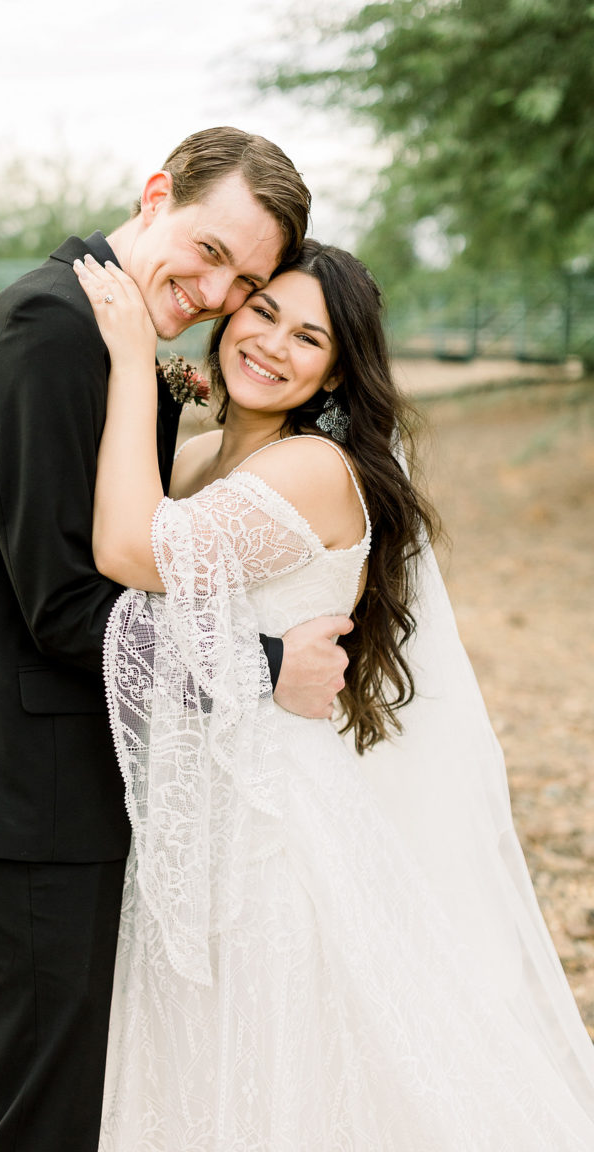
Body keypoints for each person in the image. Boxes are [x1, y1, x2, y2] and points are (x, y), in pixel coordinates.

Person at [0, 128, 355, 1152]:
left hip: (56, 801)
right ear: (155, 195)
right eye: (209, 250)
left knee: (72, 1110)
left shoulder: (107, 334)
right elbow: (63, 610)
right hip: (23, 809)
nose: (217, 291)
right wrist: (270, 668)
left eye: (247, 278)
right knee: (37, 1125)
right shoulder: (50, 335)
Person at [74, 240, 594, 1149]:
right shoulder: (196, 461)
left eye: (307, 338)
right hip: (196, 805)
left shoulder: (311, 471)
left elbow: (128, 553)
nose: (271, 343)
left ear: (334, 375)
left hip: (273, 825)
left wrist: (126, 360)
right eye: (263, 310)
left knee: (286, 1071)